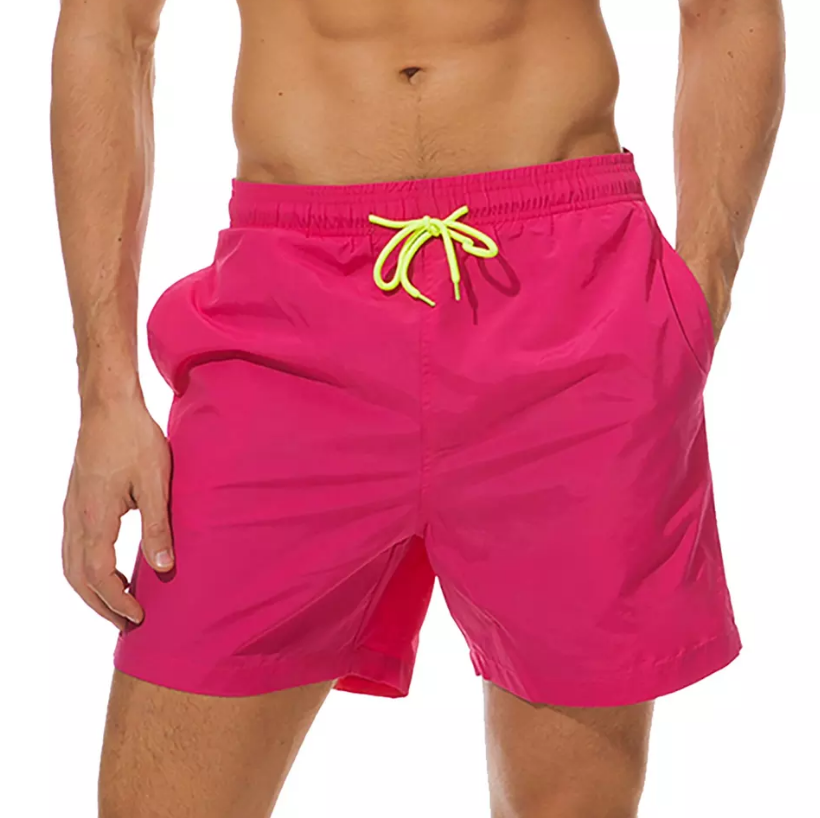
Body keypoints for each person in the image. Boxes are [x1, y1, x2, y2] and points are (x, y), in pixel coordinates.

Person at [52, 0, 785, 815]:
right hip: (286, 318)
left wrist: (699, 293)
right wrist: (105, 395)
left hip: (569, 300)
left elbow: (728, 11)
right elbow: (110, 27)